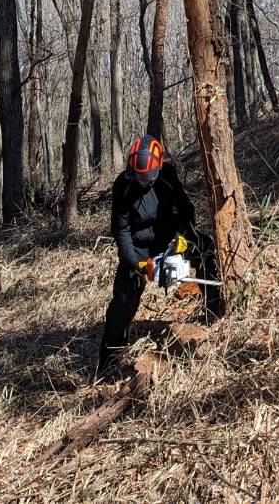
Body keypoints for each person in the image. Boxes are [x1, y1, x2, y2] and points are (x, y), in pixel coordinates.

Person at [96, 133, 202, 377]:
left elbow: (185, 209)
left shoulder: (168, 176)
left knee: (204, 249)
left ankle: (214, 310)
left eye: (146, 177)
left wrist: (182, 240)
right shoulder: (123, 185)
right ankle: (109, 361)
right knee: (123, 300)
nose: (142, 181)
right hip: (138, 247)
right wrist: (138, 264)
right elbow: (121, 229)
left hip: (169, 239)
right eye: (138, 176)